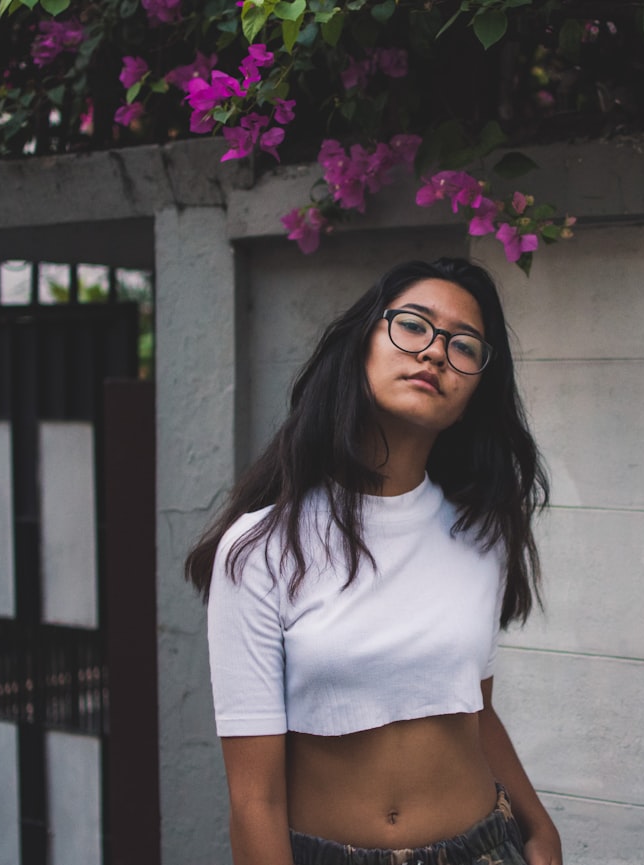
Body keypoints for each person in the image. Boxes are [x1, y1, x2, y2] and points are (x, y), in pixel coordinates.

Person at [185, 257, 562, 865]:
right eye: (414, 326)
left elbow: (474, 709)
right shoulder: (261, 549)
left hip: (486, 849)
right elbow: (254, 800)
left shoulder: (481, 532)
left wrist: (541, 829)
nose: (436, 353)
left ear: (472, 397)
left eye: (464, 345)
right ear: (360, 348)